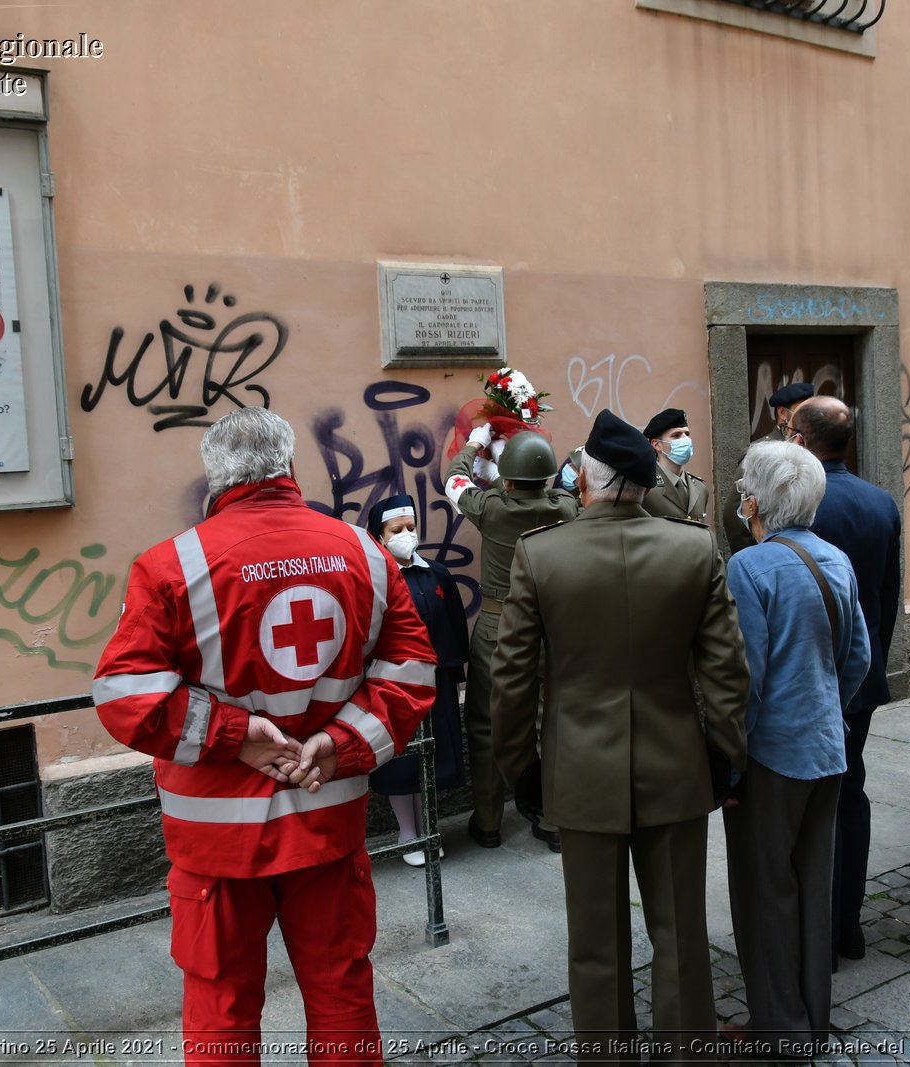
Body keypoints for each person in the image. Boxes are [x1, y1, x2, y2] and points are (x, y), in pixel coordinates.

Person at [92, 408, 436, 1066]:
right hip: (328, 819)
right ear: (289, 465)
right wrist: (338, 741)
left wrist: (238, 736)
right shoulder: (362, 553)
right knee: (342, 996)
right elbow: (413, 671)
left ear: (215, 473)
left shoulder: (172, 565)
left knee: (221, 1009)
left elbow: (124, 693)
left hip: (215, 840)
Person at [490, 409, 749, 1064]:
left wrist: (520, 765)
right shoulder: (693, 547)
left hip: (579, 770)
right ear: (640, 482)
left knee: (596, 942)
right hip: (677, 765)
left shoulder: (540, 553)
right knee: (681, 935)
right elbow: (726, 672)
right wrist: (727, 757)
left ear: (589, 480)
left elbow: (512, 677)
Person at [723, 440, 870, 1061]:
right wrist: (826, 711)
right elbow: (858, 656)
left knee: (764, 891)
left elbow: (744, 681)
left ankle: (778, 1027)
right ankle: (811, 1014)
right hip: (826, 744)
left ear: (754, 502)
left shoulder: (749, 567)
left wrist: (729, 760)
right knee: (814, 883)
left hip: (772, 754)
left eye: (740, 490)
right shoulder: (835, 557)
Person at [790, 397, 901, 965]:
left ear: (802, 441)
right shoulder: (882, 502)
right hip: (862, 681)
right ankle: (848, 923)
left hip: (809, 681)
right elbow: (889, 597)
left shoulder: (801, 506)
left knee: (809, 805)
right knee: (849, 793)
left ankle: (818, 932)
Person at [446, 424, 579, 851]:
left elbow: (454, 479)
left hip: (496, 627)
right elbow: (578, 473)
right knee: (551, 722)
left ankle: (487, 822)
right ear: (547, 479)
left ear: (506, 479)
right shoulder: (566, 508)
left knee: (485, 722)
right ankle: (556, 822)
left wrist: (474, 444)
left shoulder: (491, 509)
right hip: (552, 627)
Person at [365, 494, 469, 865]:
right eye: (397, 530)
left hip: (436, 680)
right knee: (401, 760)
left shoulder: (436, 574)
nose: (406, 535)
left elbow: (454, 624)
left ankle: (429, 828)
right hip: (393, 684)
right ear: (379, 536)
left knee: (433, 755)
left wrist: (455, 671)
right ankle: (408, 833)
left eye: (411, 528)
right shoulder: (372, 579)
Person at [640, 407, 710, 524]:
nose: (685, 439)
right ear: (657, 445)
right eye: (676, 435)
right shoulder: (645, 488)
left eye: (687, 434)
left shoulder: (700, 488)